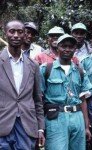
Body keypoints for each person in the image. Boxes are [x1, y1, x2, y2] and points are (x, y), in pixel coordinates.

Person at [40, 34, 92, 150]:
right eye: (64, 46)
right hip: (56, 118)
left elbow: (83, 100)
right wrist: (40, 127)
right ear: (58, 47)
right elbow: (39, 99)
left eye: (71, 47)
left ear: (75, 49)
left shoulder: (80, 71)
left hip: (77, 117)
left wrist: (86, 126)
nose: (67, 49)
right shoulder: (46, 69)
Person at [0, 20, 45, 149]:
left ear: (25, 35)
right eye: (11, 31)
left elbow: (37, 99)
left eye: (20, 32)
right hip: (2, 124)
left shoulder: (33, 65)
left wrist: (40, 128)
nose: (16, 35)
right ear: (5, 33)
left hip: (26, 126)